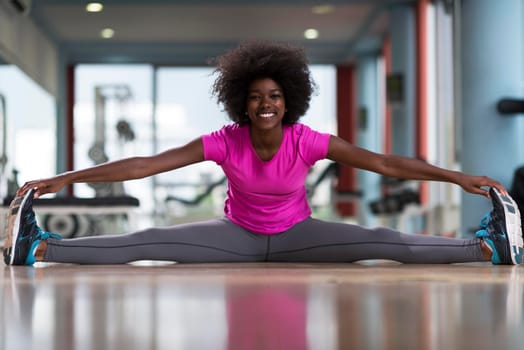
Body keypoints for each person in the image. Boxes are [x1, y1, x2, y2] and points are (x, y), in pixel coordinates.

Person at [3, 41, 523, 266]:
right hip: (236, 239)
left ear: (289, 100)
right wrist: (63, 178)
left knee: (381, 239)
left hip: (301, 237)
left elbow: (384, 163)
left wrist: (458, 178)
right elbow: (146, 165)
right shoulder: (225, 141)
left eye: (274, 96)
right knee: (149, 240)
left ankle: (487, 251)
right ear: (242, 103)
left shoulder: (308, 141)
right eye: (255, 96)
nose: (265, 104)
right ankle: (39, 249)